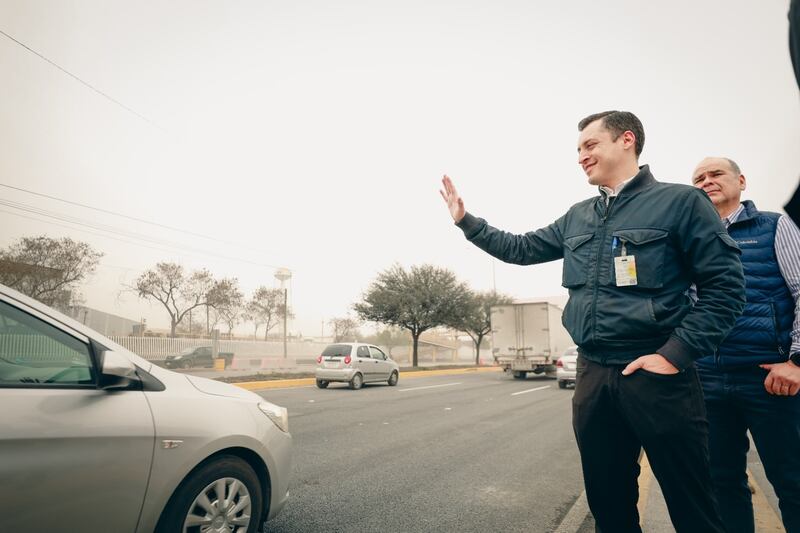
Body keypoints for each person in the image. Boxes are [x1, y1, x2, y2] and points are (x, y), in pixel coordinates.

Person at [440, 110, 745, 533]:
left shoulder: (681, 202)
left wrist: (675, 355)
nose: (581, 156)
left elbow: (726, 290)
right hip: (593, 374)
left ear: (626, 140)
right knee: (608, 504)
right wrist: (467, 223)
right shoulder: (578, 215)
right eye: (578, 149)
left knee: (692, 503)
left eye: (590, 145)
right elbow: (523, 249)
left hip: (657, 374)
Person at [691, 157, 800, 533]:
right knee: (722, 483)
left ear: (741, 180)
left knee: (792, 481)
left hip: (771, 379)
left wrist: (797, 362)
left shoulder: (775, 225)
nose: (707, 181)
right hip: (708, 379)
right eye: (699, 178)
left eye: (715, 173)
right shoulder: (691, 240)